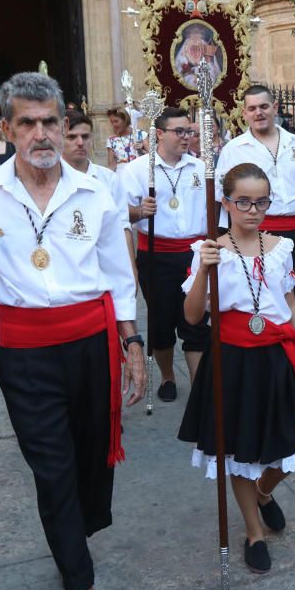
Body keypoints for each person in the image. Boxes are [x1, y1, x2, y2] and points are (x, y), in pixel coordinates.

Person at [0, 72, 145, 590]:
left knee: (88, 460)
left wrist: (133, 345)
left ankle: (73, 537)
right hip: (26, 353)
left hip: (91, 345)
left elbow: (118, 276)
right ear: (6, 129)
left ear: (64, 126)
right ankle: (81, 584)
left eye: (50, 122)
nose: (42, 134)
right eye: (28, 123)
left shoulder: (95, 192)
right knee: (52, 468)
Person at [179, 163, 295, 574]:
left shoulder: (281, 247)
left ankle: (264, 491)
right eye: (243, 201)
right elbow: (192, 317)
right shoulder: (209, 251)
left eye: (261, 201)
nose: (253, 209)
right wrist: (205, 268)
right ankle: (253, 531)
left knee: (288, 447)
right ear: (225, 202)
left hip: (278, 358)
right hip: (233, 361)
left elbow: (292, 305)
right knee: (240, 450)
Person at [216, 85, 295, 399]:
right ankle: (268, 370)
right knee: (262, 302)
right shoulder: (235, 149)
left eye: (264, 107)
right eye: (252, 108)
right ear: (244, 113)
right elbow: (223, 196)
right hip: (258, 232)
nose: (258, 113)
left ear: (275, 107)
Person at [121, 107, 210, 401]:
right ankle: (168, 377)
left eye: (189, 131)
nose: (187, 137)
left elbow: (217, 207)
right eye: (180, 132)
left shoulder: (200, 167)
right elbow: (120, 215)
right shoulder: (138, 169)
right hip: (156, 254)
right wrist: (138, 211)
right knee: (161, 323)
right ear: (160, 133)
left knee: (195, 321)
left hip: (194, 255)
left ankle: (199, 385)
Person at [62, 110, 136, 276]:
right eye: (72, 137)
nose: (80, 142)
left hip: (105, 265)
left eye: (85, 137)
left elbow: (123, 227)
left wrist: (131, 270)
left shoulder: (109, 179)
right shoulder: (50, 181)